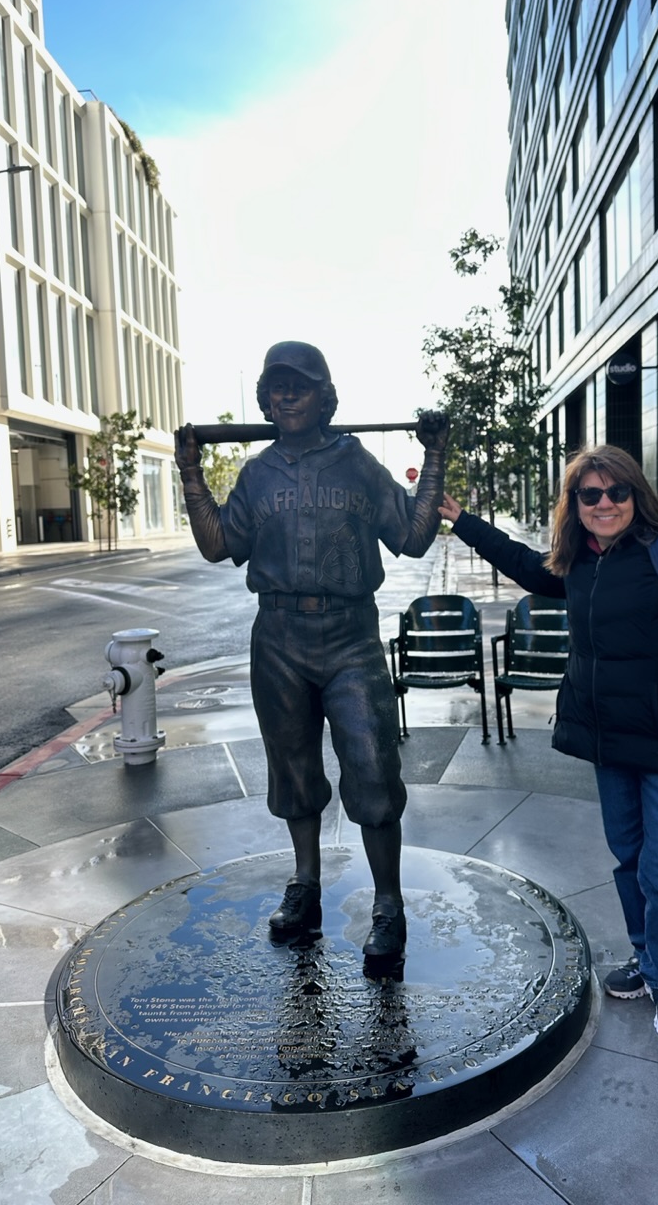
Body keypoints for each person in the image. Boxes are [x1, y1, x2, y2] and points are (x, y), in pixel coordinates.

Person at [439, 445, 658, 1043]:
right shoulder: (580, 560)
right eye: (591, 494)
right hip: (612, 744)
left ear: (636, 496)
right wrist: (463, 521)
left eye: (617, 492)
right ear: (576, 503)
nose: (605, 503)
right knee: (632, 860)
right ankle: (646, 958)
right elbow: (528, 567)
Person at [175, 341, 449, 972]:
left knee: (373, 770)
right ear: (265, 401)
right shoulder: (257, 473)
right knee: (293, 771)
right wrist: (190, 472)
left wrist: (434, 456)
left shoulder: (357, 465)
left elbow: (411, 536)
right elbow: (219, 545)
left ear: (326, 397)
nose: (285, 395)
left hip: (350, 636)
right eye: (275, 387)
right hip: (277, 639)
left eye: (299, 385)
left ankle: (388, 902)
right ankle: (306, 884)